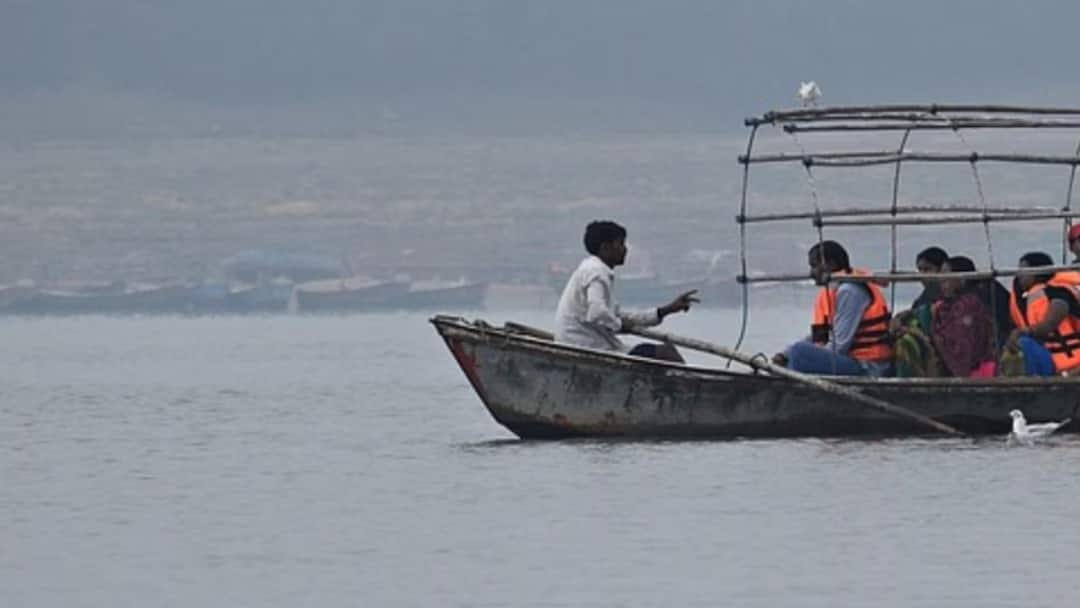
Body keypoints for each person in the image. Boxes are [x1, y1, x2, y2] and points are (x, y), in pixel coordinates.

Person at [553, 220, 698, 361]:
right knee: (667, 352)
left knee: (662, 352)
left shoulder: (592, 269)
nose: (625, 249)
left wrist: (666, 310)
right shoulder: (596, 272)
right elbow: (597, 312)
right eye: (620, 244)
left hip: (589, 346)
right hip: (585, 349)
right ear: (605, 247)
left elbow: (618, 316)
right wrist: (620, 325)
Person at [772, 240, 893, 376]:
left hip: (867, 366)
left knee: (799, 353)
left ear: (831, 264)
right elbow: (820, 335)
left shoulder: (850, 291)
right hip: (850, 360)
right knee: (794, 354)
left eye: (814, 266)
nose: (811, 273)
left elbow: (840, 346)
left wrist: (806, 357)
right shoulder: (833, 291)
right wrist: (785, 354)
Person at [1004, 252, 1080, 376]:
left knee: (1024, 342)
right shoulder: (1027, 298)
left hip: (1072, 361)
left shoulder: (1058, 293)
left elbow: (1049, 325)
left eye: (1023, 270)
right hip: (1050, 358)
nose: (1019, 275)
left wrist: (1021, 332)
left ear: (1037, 272)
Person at [930, 256, 998, 377]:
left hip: (976, 372)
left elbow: (963, 348)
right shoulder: (947, 305)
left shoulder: (968, 305)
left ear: (962, 279)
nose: (941, 281)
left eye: (947, 277)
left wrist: (936, 334)